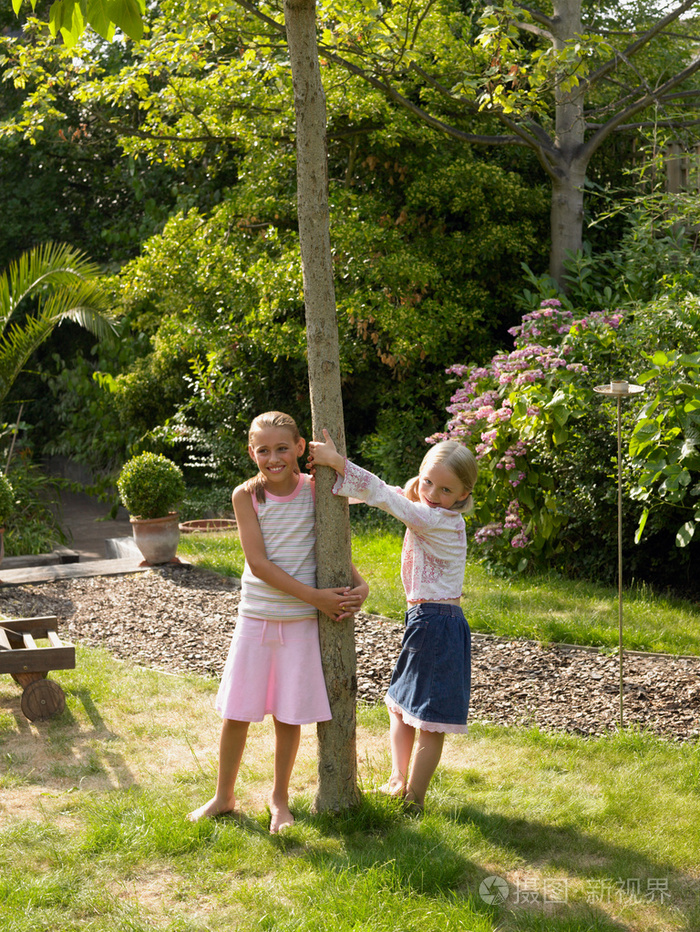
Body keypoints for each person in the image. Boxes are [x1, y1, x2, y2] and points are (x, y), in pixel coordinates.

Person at [188, 411, 368, 833]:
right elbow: (258, 563)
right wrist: (317, 598)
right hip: (257, 618)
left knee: (288, 716)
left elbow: (335, 544)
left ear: (300, 448)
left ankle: (279, 799)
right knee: (236, 712)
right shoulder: (246, 496)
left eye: (282, 448)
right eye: (263, 450)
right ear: (251, 453)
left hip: (302, 623)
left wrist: (359, 584)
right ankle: (223, 796)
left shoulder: (318, 490)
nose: (273, 458)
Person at [308, 430, 477, 812]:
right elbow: (396, 496)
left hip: (438, 622)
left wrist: (338, 465)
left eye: (446, 490)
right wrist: (322, 486)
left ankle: (414, 799)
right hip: (426, 620)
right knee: (399, 705)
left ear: (463, 496)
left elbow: (386, 497)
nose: (433, 493)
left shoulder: (440, 521)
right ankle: (398, 780)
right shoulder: (432, 511)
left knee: (430, 721)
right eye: (429, 481)